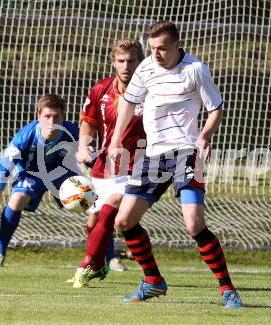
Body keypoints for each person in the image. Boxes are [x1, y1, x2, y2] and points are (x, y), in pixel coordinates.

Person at [108, 21, 243, 308]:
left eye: (162, 48)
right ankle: (153, 281)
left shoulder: (196, 69)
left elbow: (215, 108)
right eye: (153, 48)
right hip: (153, 155)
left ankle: (227, 289)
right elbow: (128, 104)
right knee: (124, 221)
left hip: (186, 152)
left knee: (194, 224)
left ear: (177, 45)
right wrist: (116, 142)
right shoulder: (145, 68)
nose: (156, 54)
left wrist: (204, 136)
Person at [69, 39, 146, 287]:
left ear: (140, 62)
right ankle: (101, 263)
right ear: (113, 62)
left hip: (139, 164)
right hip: (105, 166)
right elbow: (88, 122)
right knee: (94, 222)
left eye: (131, 60)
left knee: (111, 207)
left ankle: (86, 266)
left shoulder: (151, 90)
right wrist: (84, 145)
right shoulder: (101, 89)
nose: (126, 66)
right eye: (121, 61)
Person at [0, 94, 79, 268]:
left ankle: (107, 258)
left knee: (93, 203)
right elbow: (2, 171)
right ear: (38, 117)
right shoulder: (24, 136)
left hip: (60, 175)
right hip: (30, 174)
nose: (51, 121)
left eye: (56, 116)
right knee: (17, 199)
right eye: (47, 116)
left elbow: (90, 157)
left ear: (63, 117)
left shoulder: (72, 132)